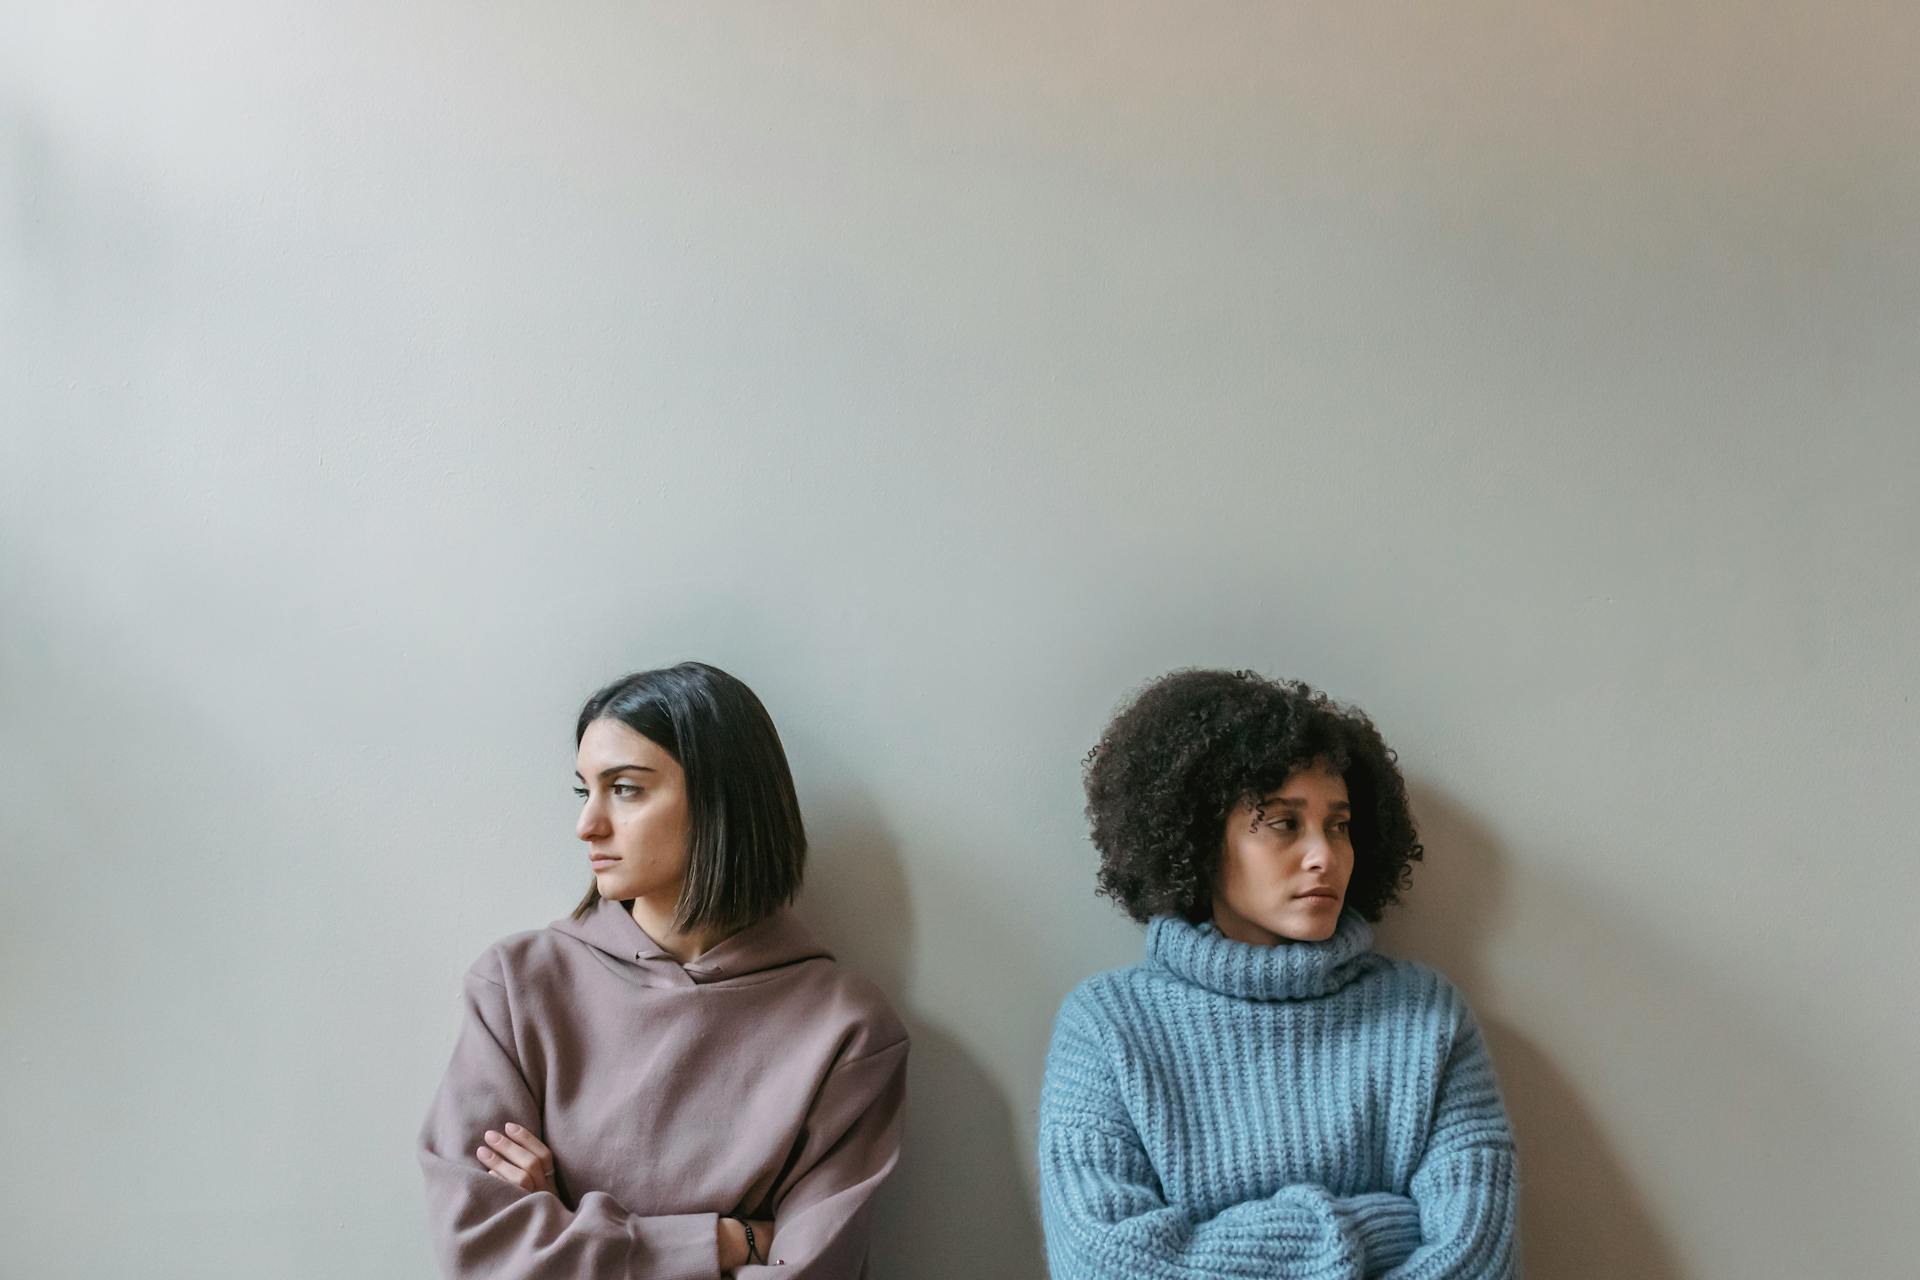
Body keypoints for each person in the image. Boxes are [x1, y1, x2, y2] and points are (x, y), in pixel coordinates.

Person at [418, 662, 908, 1278]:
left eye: (625, 788)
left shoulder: (847, 1030)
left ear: (721, 798)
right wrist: (728, 1244)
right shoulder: (516, 987)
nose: (586, 824)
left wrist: (566, 1225)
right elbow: (481, 1252)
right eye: (584, 790)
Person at [1039, 669, 1517, 1278]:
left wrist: (1215, 1244)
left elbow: (1479, 1262)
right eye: (1285, 823)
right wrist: (1379, 1226)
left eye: (1339, 826)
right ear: (1200, 838)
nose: (1324, 855)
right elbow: (1105, 1265)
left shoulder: (1427, 1017)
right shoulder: (1105, 1027)